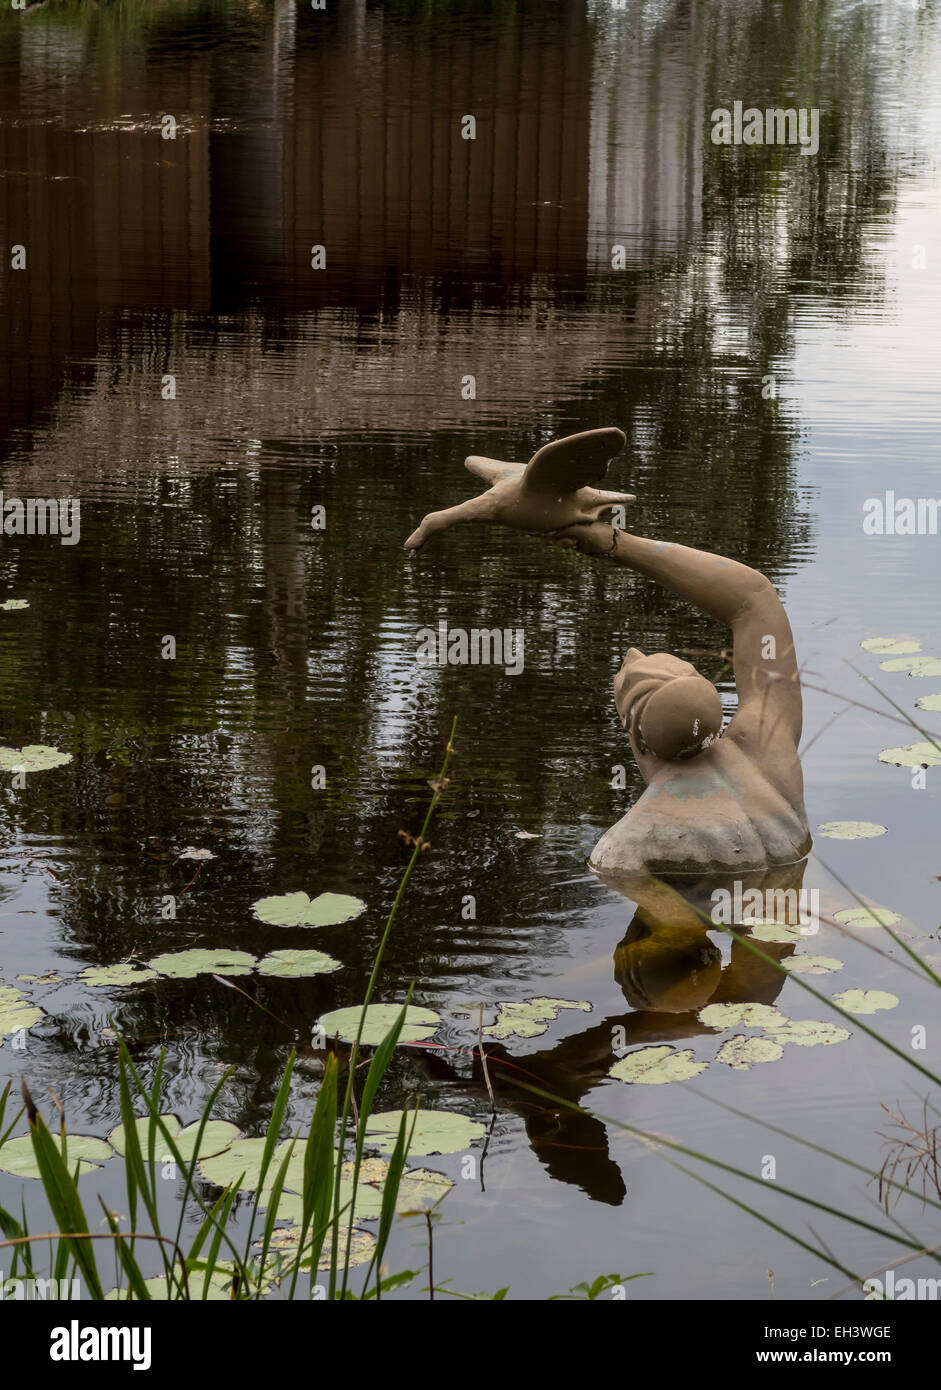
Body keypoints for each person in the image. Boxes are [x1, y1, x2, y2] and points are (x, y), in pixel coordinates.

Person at [405, 427, 811, 876]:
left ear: (638, 739)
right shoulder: (768, 757)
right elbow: (754, 598)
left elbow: (658, 940)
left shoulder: (632, 846)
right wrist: (613, 542)